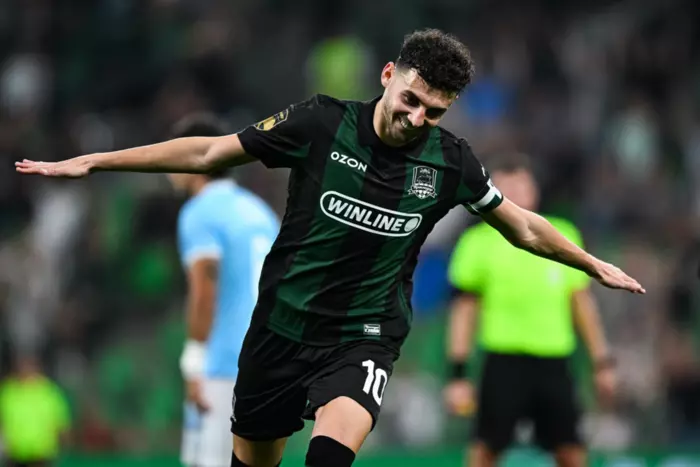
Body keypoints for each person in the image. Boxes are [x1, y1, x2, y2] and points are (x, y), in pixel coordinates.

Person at [16, 28, 644, 467]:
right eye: (411, 100)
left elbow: (522, 226)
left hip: (363, 336)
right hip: (281, 328)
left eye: (433, 112)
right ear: (389, 76)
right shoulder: (321, 123)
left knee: (327, 460)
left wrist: (590, 264)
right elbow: (209, 151)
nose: (416, 119)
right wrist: (96, 162)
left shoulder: (451, 162)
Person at [444, 153, 618, 467]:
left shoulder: (562, 235)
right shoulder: (477, 242)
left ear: (534, 190)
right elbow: (464, 312)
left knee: (571, 451)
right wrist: (458, 374)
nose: (515, 195)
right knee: (484, 451)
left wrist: (602, 362)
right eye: (506, 187)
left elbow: (581, 304)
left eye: (521, 186)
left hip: (554, 360)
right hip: (503, 360)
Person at [169, 114, 280, 467]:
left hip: (222, 365)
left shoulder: (199, 213)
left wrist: (194, 362)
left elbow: (205, 289)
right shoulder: (259, 212)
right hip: (266, 362)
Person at [0, 355, 71, 467]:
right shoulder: (8, 392)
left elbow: (61, 423)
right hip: (14, 455)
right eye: (23, 367)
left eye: (30, 367)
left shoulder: (50, 392)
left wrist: (64, 447)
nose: (26, 370)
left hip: (42, 455)